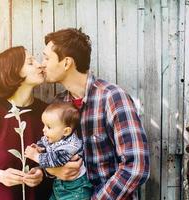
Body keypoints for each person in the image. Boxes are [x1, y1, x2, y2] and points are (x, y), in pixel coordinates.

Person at [41, 28, 150, 199]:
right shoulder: (58, 104)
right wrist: (52, 170)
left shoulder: (112, 98)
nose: (43, 64)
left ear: (66, 63)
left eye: (47, 58)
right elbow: (51, 155)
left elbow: (136, 167)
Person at [0, 46, 52, 200]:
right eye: (30, 62)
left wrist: (42, 172)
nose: (40, 64)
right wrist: (0, 175)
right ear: (13, 72)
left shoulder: (47, 113)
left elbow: (56, 157)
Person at [25, 102, 93, 200]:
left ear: (66, 131)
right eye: (44, 125)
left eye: (48, 127)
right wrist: (39, 148)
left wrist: (36, 156)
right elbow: (43, 142)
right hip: (59, 185)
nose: (44, 130)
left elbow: (56, 160)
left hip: (76, 189)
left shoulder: (70, 146)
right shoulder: (55, 137)